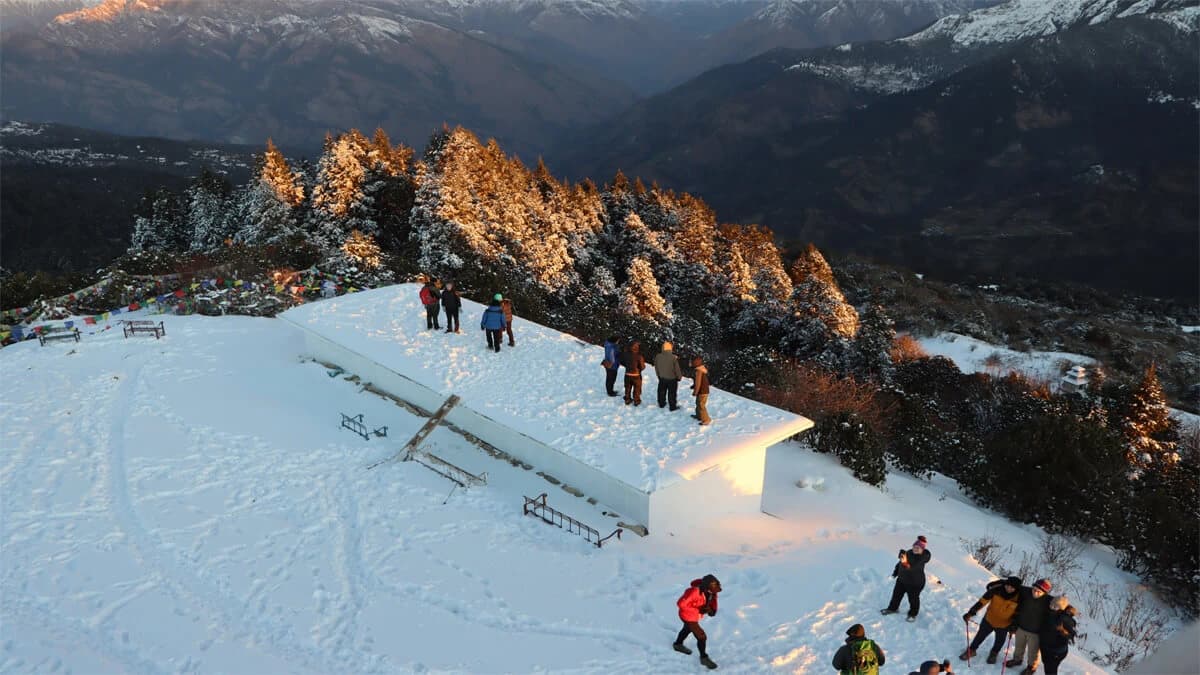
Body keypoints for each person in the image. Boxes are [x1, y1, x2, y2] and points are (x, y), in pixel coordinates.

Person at [961, 576, 1022, 664]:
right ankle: (972, 650)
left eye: (1012, 588)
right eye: (1007, 586)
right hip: (989, 619)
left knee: (999, 641)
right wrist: (971, 612)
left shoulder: (1019, 598)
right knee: (980, 636)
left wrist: (1014, 626)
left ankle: (994, 653)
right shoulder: (996, 590)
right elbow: (982, 602)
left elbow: (1018, 614)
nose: (1009, 588)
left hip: (1004, 624)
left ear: (1016, 589)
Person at [673, 574, 721, 670]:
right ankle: (704, 658)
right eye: (713, 588)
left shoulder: (709, 592)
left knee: (687, 629)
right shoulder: (694, 591)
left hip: (693, 616)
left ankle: (677, 644)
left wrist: (710, 610)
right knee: (702, 637)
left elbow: (709, 602)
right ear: (707, 586)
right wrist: (698, 610)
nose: (715, 591)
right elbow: (680, 604)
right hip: (687, 616)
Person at [1006, 579, 1053, 675]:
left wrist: (1067, 608)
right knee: (1019, 647)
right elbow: (1014, 584)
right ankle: (1017, 660)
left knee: (1033, 652)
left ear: (1044, 593)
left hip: (1035, 632)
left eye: (1039, 592)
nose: (1035, 592)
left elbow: (1061, 603)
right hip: (1021, 627)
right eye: (1034, 589)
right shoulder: (1027, 592)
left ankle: (1031, 667)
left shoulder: (1048, 600)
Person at [881, 536, 931, 621]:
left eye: (918, 548)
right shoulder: (909, 552)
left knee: (913, 599)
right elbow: (900, 563)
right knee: (896, 595)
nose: (915, 549)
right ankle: (893, 608)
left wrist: (904, 562)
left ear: (922, 549)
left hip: (915, 583)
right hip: (902, 580)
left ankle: (913, 614)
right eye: (914, 547)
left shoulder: (922, 557)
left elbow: (912, 567)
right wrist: (896, 572)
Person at [1037, 596, 1077, 675]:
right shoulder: (1049, 612)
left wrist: (1063, 631)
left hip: (1056, 651)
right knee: (1047, 665)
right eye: (1052, 604)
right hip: (1046, 647)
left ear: (1062, 608)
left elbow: (1071, 635)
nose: (1053, 607)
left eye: (1056, 606)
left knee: (1050, 670)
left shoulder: (1064, 619)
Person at [654, 341, 683, 410]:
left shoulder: (658, 356)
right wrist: (679, 377)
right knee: (672, 393)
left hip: (662, 378)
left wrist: (658, 375)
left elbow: (656, 367)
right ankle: (672, 406)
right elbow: (677, 369)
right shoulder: (673, 357)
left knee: (661, 391)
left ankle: (661, 403)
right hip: (672, 379)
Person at [621, 340, 646, 406]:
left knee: (627, 388)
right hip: (636, 375)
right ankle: (636, 401)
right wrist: (639, 369)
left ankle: (627, 399)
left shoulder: (625, 354)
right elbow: (642, 367)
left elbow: (622, 362)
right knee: (637, 388)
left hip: (627, 374)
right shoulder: (639, 356)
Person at [691, 355, 711, 425]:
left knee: (701, 405)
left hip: (703, 391)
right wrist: (694, 386)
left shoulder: (699, 371)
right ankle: (699, 416)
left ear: (695, 363)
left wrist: (695, 392)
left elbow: (698, 383)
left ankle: (706, 420)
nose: (690, 363)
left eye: (692, 362)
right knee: (698, 403)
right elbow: (697, 381)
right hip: (702, 390)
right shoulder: (700, 370)